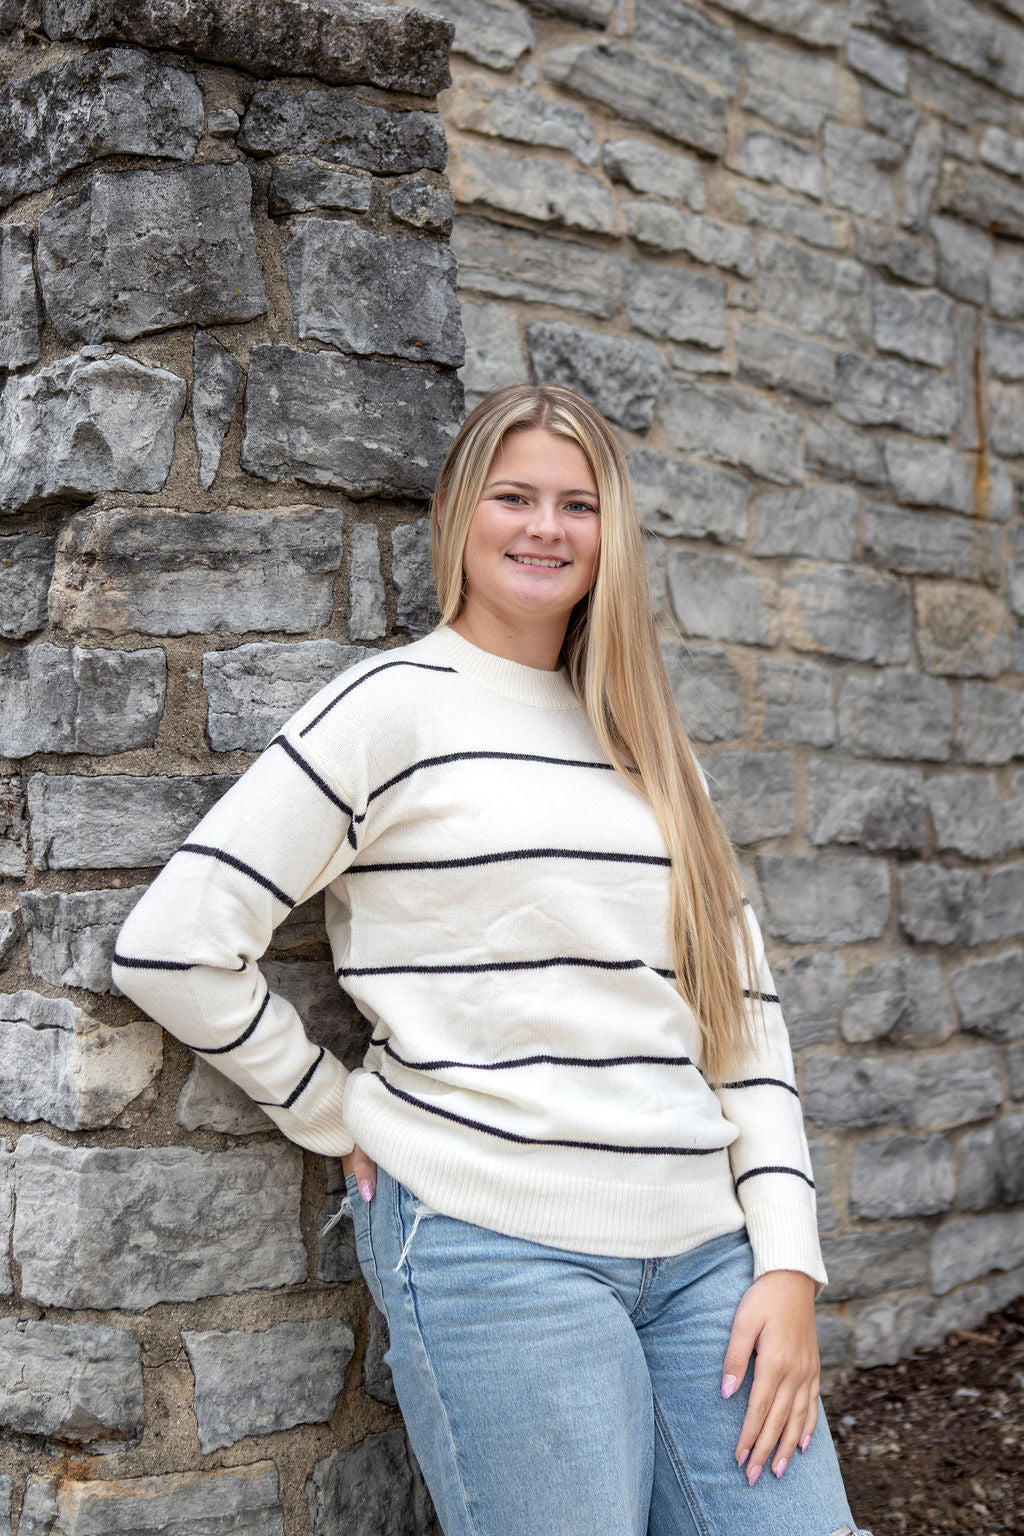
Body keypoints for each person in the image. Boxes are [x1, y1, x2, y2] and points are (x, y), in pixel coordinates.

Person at [113, 384, 870, 1536]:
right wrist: (328, 1106)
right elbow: (175, 944)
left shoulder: (648, 744)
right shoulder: (389, 709)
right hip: (495, 1251)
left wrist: (787, 1265)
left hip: (706, 1261)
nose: (545, 528)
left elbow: (743, 1021)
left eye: (578, 504)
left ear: (610, 533)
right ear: (456, 514)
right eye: (514, 497)